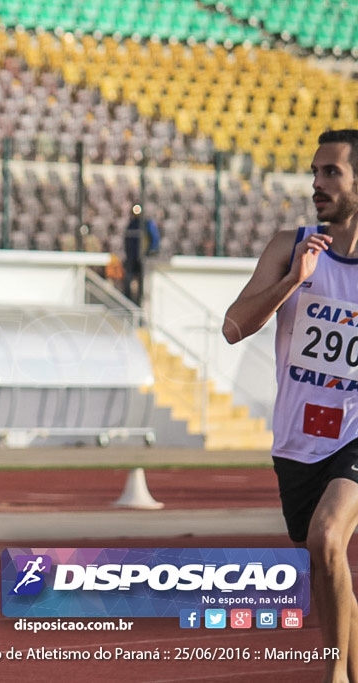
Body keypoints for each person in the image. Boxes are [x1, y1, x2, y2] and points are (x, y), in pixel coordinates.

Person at [223, 129, 358, 682]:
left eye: (332, 172)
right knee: (325, 566)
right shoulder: (290, 245)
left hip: (354, 431)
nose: (317, 183)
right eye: (315, 172)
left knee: (328, 535)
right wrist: (292, 282)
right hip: (298, 438)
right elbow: (234, 326)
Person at [122, 203, 160, 305]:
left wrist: (148, 251)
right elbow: (126, 241)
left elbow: (154, 239)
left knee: (142, 282)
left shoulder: (147, 224)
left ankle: (139, 302)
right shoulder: (131, 224)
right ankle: (127, 301)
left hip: (142, 258)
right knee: (128, 280)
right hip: (131, 258)